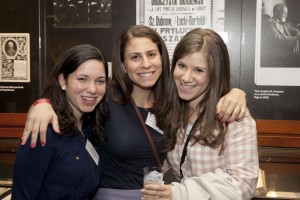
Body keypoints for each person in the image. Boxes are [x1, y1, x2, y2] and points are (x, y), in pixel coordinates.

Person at [21, 25, 247, 200]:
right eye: (135, 57)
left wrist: (236, 93)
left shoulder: (173, 100)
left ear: (162, 58)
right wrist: (42, 103)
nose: (145, 64)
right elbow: (76, 95)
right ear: (122, 63)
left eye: (151, 54)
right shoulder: (105, 97)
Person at [141, 28, 258, 200]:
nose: (186, 77)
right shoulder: (174, 111)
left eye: (198, 70)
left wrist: (178, 193)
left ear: (214, 74)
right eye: (181, 66)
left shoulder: (232, 117)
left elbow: (243, 186)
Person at [12, 44, 108, 199]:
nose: (92, 89)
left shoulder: (90, 128)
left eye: (100, 81)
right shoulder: (44, 130)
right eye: (82, 79)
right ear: (63, 80)